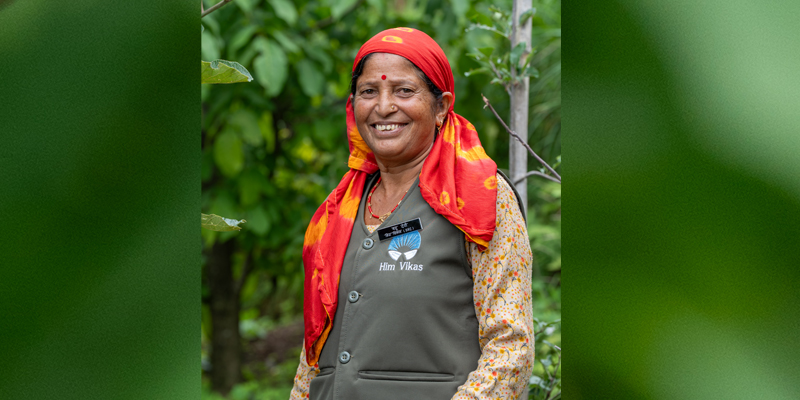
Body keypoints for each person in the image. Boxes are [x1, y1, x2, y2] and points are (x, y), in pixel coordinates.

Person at [290, 28, 534, 400]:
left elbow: (511, 347)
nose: (384, 106)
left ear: (441, 106)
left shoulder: (480, 197)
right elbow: (313, 357)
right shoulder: (340, 210)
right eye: (369, 91)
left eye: (404, 91)